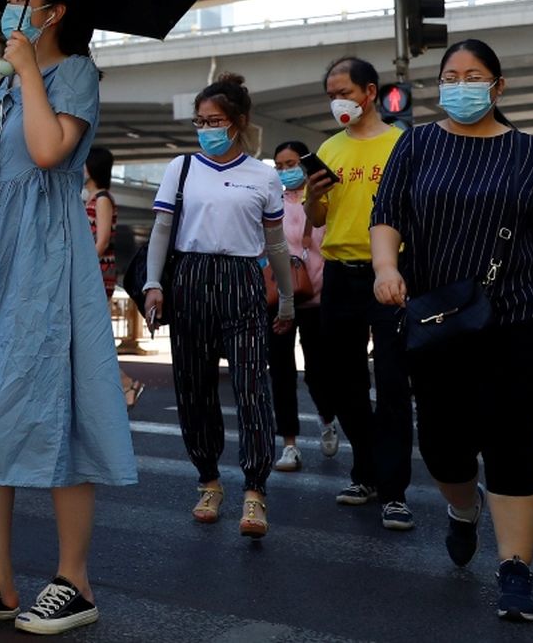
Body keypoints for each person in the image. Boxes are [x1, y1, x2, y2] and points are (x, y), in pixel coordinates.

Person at [0, 0, 136, 636]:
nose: (9, 9)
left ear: (56, 10)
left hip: (50, 253)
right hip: (0, 255)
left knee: (58, 403)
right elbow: (2, 165)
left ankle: (74, 580)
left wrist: (28, 71)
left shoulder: (75, 74)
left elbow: (48, 153)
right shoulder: (9, 81)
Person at [370, 38, 533, 623]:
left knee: (511, 443)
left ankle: (515, 569)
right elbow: (386, 215)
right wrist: (387, 266)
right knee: (445, 448)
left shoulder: (529, 154)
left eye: (474, 76)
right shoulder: (416, 144)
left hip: (517, 320)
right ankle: (463, 508)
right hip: (437, 319)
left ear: (498, 87)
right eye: (451, 75)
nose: (461, 85)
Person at [141, 75, 295, 537]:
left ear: (239, 123)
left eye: (216, 121)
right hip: (189, 279)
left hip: (244, 281)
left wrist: (286, 298)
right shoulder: (182, 167)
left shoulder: (263, 175)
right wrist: (153, 283)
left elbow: (276, 244)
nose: (206, 128)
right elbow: (163, 231)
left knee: (252, 388)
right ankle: (208, 481)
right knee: (194, 388)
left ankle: (254, 490)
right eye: (200, 120)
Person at [303, 56, 414, 530]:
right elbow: (317, 219)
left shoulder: (403, 144)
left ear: (370, 93)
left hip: (390, 274)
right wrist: (312, 193)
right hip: (340, 275)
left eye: (345, 91)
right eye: (331, 93)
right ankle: (366, 470)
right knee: (338, 381)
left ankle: (393, 491)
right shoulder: (329, 147)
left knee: (391, 384)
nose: (338, 101)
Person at [266, 140, 338, 471]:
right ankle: (289, 444)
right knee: (280, 371)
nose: (285, 170)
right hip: (280, 298)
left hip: (318, 299)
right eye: (279, 166)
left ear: (306, 163)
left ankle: (326, 419)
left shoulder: (323, 201)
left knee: (318, 371)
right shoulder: (271, 203)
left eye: (291, 163)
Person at [85, 146, 143, 408]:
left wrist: (82, 266)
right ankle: (120, 385)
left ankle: (125, 383)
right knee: (90, 335)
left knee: (91, 334)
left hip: (96, 273)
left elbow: (103, 240)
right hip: (92, 272)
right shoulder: (92, 198)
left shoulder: (103, 199)